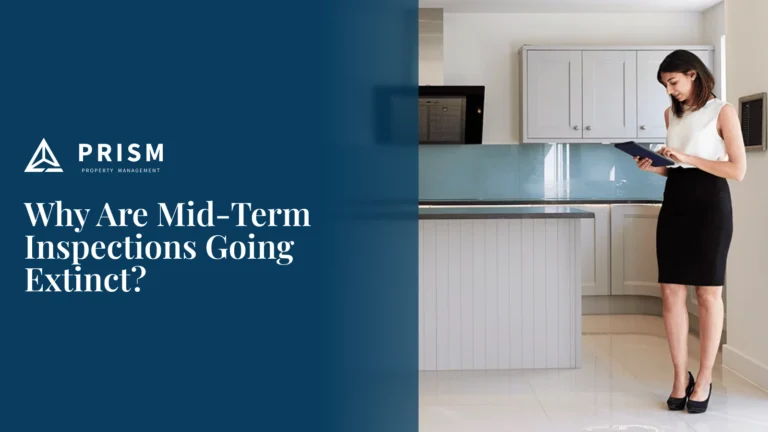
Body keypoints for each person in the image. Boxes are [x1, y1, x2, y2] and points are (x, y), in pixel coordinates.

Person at [634, 49, 747, 414]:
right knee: (670, 291)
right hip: (676, 202)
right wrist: (655, 167)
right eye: (666, 85)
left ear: (693, 75)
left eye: (674, 82)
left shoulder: (723, 111)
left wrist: (689, 159)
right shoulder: (671, 114)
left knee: (708, 295)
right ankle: (679, 377)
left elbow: (737, 170)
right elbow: (675, 169)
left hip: (711, 207)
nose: (670, 91)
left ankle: (705, 378)